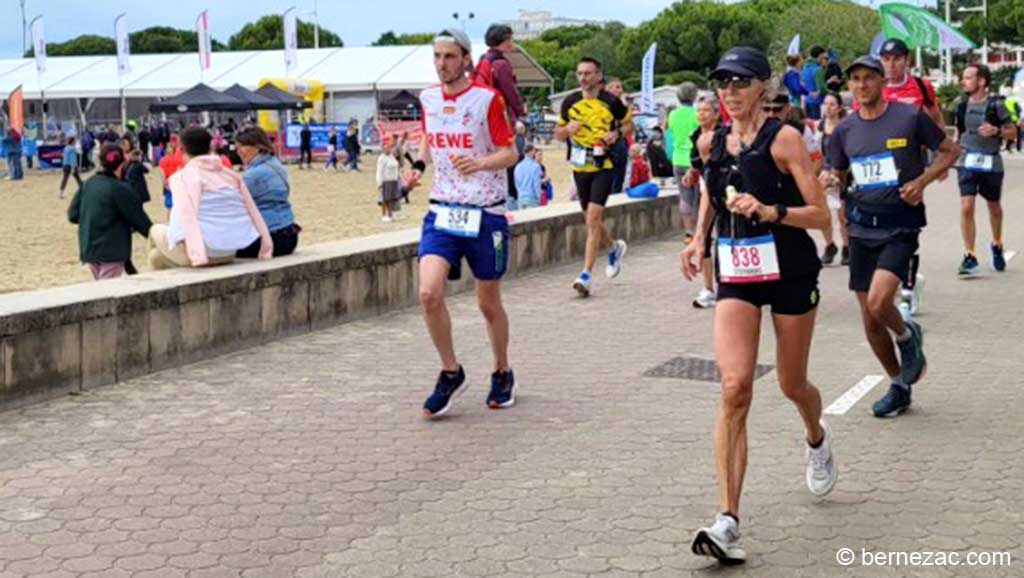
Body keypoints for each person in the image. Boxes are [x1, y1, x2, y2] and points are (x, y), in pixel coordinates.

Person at [681, 47, 835, 565]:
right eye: (722, 81)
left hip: (791, 270)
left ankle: (815, 436)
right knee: (734, 387)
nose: (729, 90)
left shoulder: (785, 138)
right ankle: (727, 520)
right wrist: (698, 239)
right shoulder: (711, 142)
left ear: (763, 87)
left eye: (740, 81)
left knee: (792, 383)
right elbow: (712, 192)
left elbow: (819, 216)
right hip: (738, 272)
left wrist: (772, 210)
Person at [827, 55, 959, 418]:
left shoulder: (908, 116)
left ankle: (906, 334)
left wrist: (921, 182)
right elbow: (839, 176)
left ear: (882, 81)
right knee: (869, 322)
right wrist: (831, 186)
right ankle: (899, 385)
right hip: (860, 227)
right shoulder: (844, 130)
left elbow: (950, 151)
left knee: (878, 302)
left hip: (900, 225)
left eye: (869, 78)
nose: (861, 85)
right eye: (855, 79)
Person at [408, 28, 519, 418]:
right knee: (428, 293)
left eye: (450, 57)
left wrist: (481, 163)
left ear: (466, 59)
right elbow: (429, 137)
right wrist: (418, 167)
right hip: (442, 211)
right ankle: (450, 371)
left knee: (488, 303)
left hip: (485, 213)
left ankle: (502, 370)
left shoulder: (488, 100)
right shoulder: (428, 98)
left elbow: (510, 153)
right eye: (437, 57)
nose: (442, 65)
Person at [876, 38, 944, 315]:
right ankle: (896, 279)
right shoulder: (875, 87)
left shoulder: (920, 87)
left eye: (896, 59)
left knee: (906, 228)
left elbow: (936, 118)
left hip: (910, 169)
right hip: (880, 168)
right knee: (882, 229)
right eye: (886, 59)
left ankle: (907, 288)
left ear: (907, 61)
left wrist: (939, 160)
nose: (891, 65)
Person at [555, 56, 632, 298]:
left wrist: (616, 133)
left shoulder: (612, 102)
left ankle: (585, 275)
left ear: (599, 76)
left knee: (594, 217)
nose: (583, 78)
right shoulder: (570, 102)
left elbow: (629, 126)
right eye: (580, 73)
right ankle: (612, 246)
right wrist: (567, 130)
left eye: (588, 73)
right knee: (590, 220)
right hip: (580, 166)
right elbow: (557, 134)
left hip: (604, 164)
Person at [148, 127, 273, 270]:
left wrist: (198, 255)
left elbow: (186, 217)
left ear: (181, 150)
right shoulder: (230, 175)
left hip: (204, 252)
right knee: (156, 256)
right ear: (210, 147)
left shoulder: (184, 177)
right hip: (229, 252)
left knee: (154, 230)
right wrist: (266, 246)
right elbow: (253, 211)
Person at [953, 63, 1018, 275]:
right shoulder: (961, 106)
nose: (964, 81)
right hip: (967, 162)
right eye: (963, 78)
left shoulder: (996, 105)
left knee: (994, 207)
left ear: (981, 81)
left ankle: (997, 243)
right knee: (966, 207)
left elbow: (1013, 133)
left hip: (991, 162)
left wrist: (996, 130)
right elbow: (958, 133)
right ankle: (970, 254)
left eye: (968, 77)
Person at [68, 144, 153, 280]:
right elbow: (140, 221)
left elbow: (72, 215)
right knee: (106, 290)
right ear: (122, 164)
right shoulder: (121, 188)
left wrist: (93, 216)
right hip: (112, 249)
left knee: (101, 284)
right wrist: (157, 237)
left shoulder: (89, 183)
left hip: (89, 247)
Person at [234, 126, 301, 257]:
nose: (238, 151)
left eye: (242, 146)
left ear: (257, 147)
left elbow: (237, 204)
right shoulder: (276, 164)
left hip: (270, 238)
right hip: (289, 234)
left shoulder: (253, 174)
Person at [689, 93, 721, 309]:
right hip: (705, 188)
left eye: (706, 110)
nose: (701, 114)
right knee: (704, 236)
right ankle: (708, 287)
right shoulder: (695, 135)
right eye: (699, 110)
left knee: (727, 235)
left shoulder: (723, 136)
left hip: (724, 190)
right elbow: (698, 164)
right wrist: (692, 172)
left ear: (717, 114)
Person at [817, 93, 849, 265]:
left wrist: (835, 173)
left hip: (841, 173)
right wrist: (823, 170)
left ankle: (847, 246)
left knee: (842, 215)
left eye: (832, 104)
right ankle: (830, 245)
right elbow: (817, 153)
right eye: (826, 104)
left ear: (839, 108)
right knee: (823, 214)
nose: (828, 107)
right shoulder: (820, 126)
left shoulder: (844, 128)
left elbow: (847, 153)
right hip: (824, 174)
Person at [669, 82, 703, 239]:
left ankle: (688, 231)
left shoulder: (673, 115)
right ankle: (699, 231)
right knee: (698, 197)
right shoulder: (698, 114)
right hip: (694, 159)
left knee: (684, 196)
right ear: (694, 96)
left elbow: (670, 136)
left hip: (677, 159)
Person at [604, 77, 631, 195]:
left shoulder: (621, 105)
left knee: (619, 177)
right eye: (617, 87)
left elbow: (628, 125)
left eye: (621, 87)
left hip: (620, 143)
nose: (620, 90)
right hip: (608, 144)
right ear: (608, 89)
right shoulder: (604, 104)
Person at [376, 137, 401, 222]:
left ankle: (391, 214)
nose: (388, 149)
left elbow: (396, 167)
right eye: (386, 148)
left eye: (389, 148)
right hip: (386, 180)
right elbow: (379, 171)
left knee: (392, 199)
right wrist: (379, 183)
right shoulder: (382, 158)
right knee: (385, 199)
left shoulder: (392, 156)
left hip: (393, 180)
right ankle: (384, 215)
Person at [514, 144, 545, 209]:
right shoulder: (535, 166)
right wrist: (539, 198)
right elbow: (536, 184)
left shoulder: (518, 167)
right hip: (532, 198)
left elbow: (517, 184)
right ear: (531, 151)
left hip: (521, 198)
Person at [158, 134, 184, 211]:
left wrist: (164, 183)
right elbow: (179, 170)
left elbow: (162, 173)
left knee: (169, 207)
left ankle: (170, 221)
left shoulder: (162, 160)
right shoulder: (179, 158)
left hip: (167, 183)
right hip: (176, 183)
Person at [802, 46, 826, 119]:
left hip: (807, 101)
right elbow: (822, 88)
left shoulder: (805, 67)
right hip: (818, 103)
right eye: (822, 56)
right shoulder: (817, 69)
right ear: (819, 55)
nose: (823, 59)